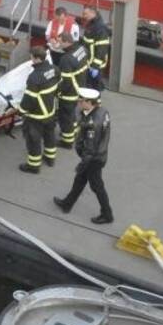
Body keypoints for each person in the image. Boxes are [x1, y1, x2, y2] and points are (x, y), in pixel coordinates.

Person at [53, 88, 114, 225]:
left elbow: (90, 149)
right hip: (99, 155)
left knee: (97, 186)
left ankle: (107, 214)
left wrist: (81, 165)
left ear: (89, 102)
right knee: (79, 181)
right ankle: (67, 204)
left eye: (81, 101)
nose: (78, 103)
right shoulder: (102, 111)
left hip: (93, 159)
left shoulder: (93, 124)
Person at [18, 46, 59, 174]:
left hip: (36, 115)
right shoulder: (54, 69)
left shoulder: (34, 76)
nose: (30, 59)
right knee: (49, 135)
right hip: (50, 110)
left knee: (33, 140)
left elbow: (29, 98)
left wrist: (21, 110)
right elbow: (58, 86)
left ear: (36, 59)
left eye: (31, 57)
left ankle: (33, 166)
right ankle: (50, 158)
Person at [56, 32, 90, 149]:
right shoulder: (82, 48)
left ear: (66, 42)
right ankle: (74, 130)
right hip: (81, 87)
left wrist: (58, 92)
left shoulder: (66, 59)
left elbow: (65, 81)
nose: (58, 44)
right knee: (73, 114)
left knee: (65, 117)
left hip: (69, 93)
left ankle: (67, 141)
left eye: (60, 42)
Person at [81, 6, 111, 91]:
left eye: (85, 14)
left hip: (96, 66)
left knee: (95, 88)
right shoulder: (91, 24)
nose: (84, 16)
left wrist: (95, 66)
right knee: (89, 86)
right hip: (89, 62)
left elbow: (101, 49)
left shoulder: (100, 28)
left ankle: (96, 103)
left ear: (93, 13)